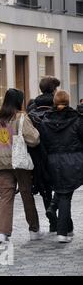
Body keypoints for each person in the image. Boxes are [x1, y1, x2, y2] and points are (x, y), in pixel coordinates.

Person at [0, 88, 44, 244]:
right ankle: (34, 229)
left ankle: (3, 233)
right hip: (19, 161)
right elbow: (34, 139)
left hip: (1, 162)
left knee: (5, 198)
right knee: (26, 194)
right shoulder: (21, 117)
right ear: (18, 101)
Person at [40, 91, 83, 243]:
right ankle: (62, 232)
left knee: (63, 191)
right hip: (73, 160)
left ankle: (64, 225)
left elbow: (43, 143)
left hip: (52, 160)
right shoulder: (77, 119)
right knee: (65, 194)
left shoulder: (45, 120)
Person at [27, 76, 60, 232]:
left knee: (45, 187)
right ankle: (56, 213)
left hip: (37, 155)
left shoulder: (32, 109)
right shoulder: (58, 108)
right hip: (56, 152)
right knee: (62, 187)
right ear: (53, 90)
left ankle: (52, 218)